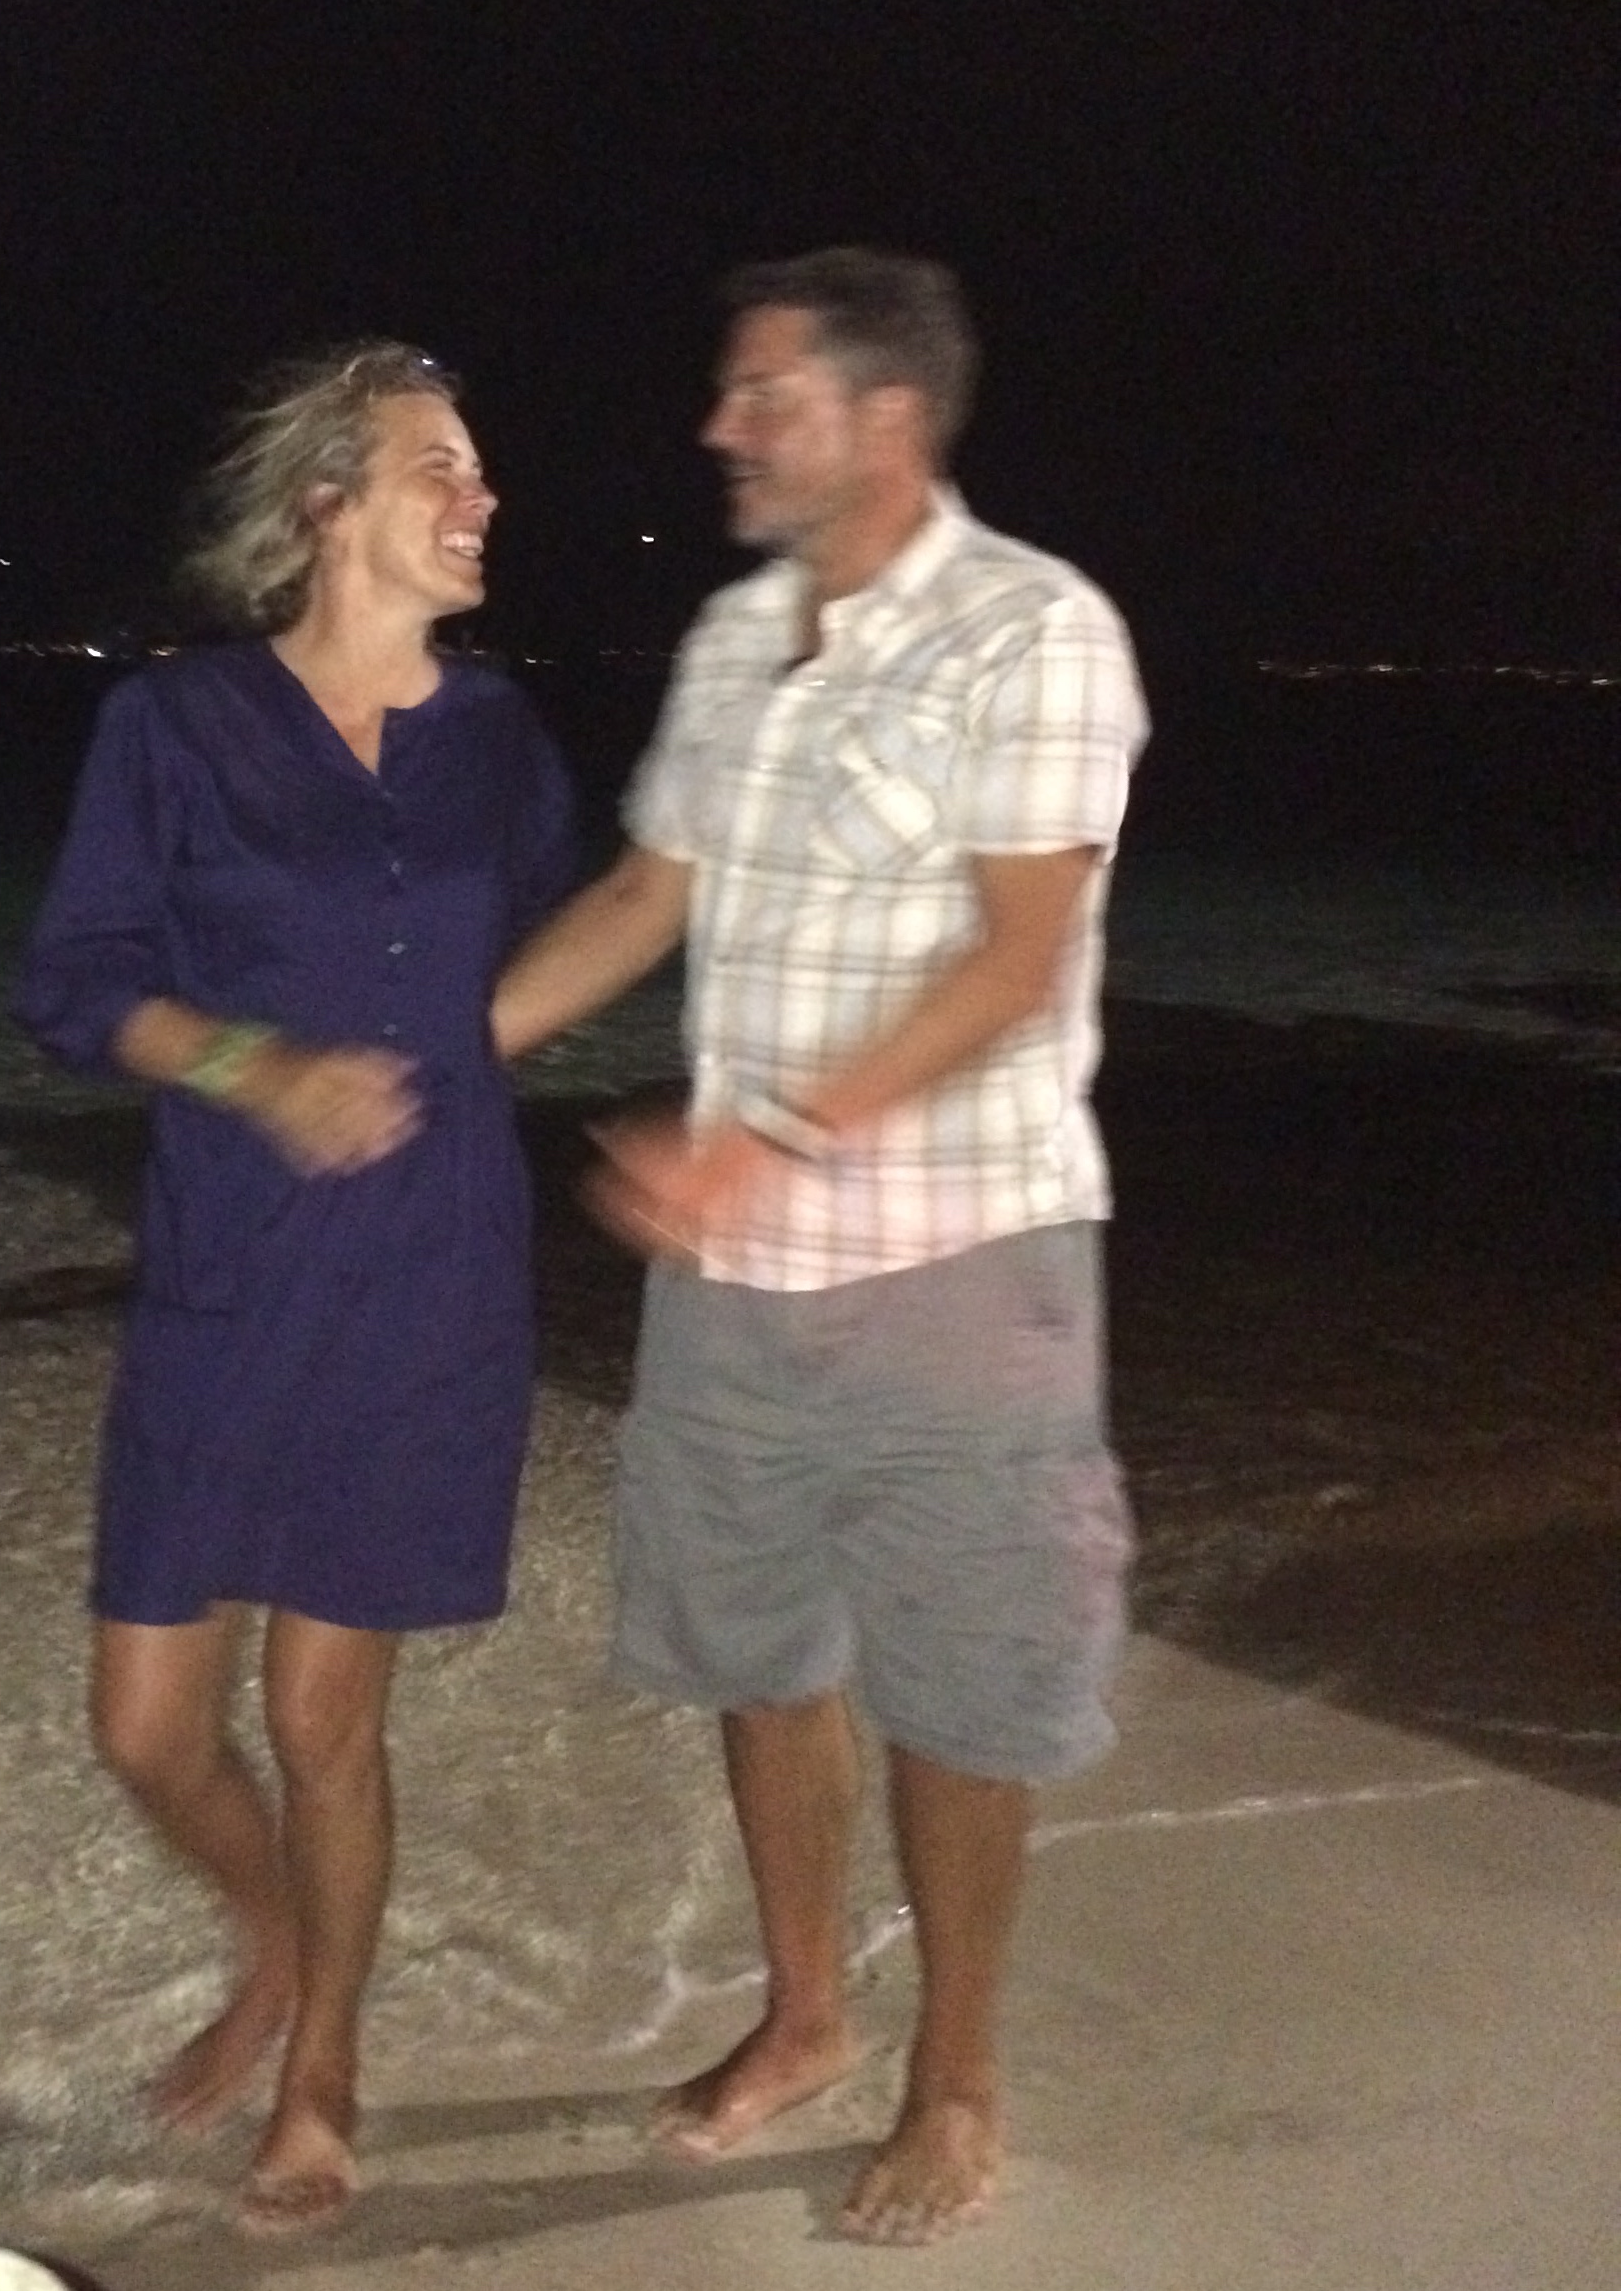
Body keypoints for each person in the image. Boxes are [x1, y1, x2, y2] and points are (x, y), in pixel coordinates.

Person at [491, 249, 1146, 2245]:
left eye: (761, 393)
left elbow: (1015, 960)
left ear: (887, 415)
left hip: (964, 1262)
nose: (720, 425)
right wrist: (434, 1056)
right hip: (735, 1280)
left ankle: (956, 2078)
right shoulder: (730, 638)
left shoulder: (1033, 628)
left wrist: (761, 1144)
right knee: (760, 1659)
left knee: (959, 1687)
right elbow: (645, 892)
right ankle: (802, 2014)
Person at [16, 342, 573, 2235]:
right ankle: (274, 1934)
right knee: (148, 1726)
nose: (482, 497)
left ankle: (324, 2056)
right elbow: (75, 980)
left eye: (480, 469)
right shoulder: (176, 722)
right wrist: (257, 1065)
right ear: (327, 500)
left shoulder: (500, 737)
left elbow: (550, 939)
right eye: (441, 465)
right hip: (230, 1270)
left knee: (328, 1715)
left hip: (431, 1274)